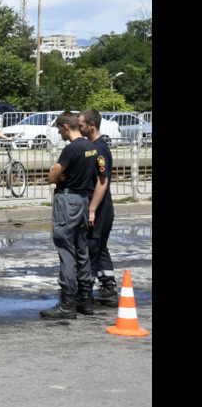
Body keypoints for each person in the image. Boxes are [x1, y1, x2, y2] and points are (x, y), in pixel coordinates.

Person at [41, 111, 98, 319]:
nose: (59, 133)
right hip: (83, 200)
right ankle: (85, 299)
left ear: (66, 127)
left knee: (66, 250)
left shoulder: (71, 149)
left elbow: (51, 177)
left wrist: (60, 176)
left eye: (59, 129)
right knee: (81, 248)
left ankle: (67, 303)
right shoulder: (92, 147)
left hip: (67, 201)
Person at [79, 108, 118, 307]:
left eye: (82, 125)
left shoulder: (100, 149)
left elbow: (103, 182)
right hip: (100, 206)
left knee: (93, 245)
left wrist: (92, 209)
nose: (79, 128)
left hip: (101, 207)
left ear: (91, 125)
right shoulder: (92, 146)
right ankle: (108, 288)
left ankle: (87, 290)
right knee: (100, 246)